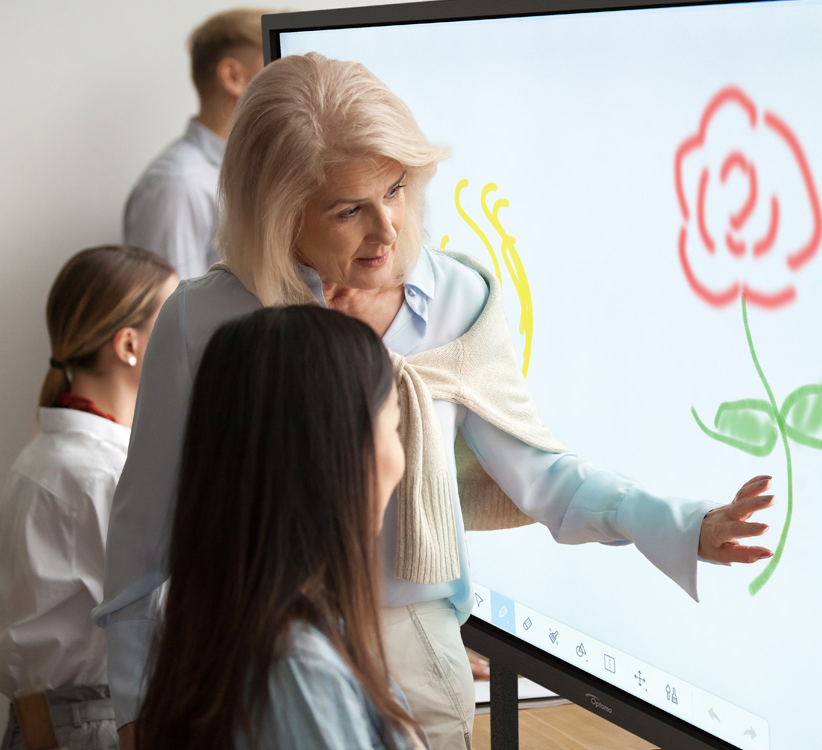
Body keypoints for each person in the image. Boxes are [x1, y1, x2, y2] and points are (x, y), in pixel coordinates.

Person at [96, 53, 775, 750]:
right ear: (279, 212)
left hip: (413, 649)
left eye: (394, 190)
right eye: (349, 209)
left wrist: (685, 524)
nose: (387, 231)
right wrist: (133, 712)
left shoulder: (458, 299)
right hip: (251, 653)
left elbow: (546, 480)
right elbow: (144, 528)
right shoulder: (203, 321)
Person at [136, 306, 423, 750]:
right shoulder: (298, 671)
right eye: (395, 427)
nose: (401, 462)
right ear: (335, 455)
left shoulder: (241, 624)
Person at [0, 245, 177, 750]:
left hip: (72, 723)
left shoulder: (57, 457)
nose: (190, 337)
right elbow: (171, 619)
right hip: (95, 731)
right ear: (129, 345)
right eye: (174, 322)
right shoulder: (97, 474)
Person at [123, 8, 267, 279]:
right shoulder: (178, 187)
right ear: (233, 77)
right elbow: (171, 316)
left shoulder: (256, 171)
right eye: (275, 63)